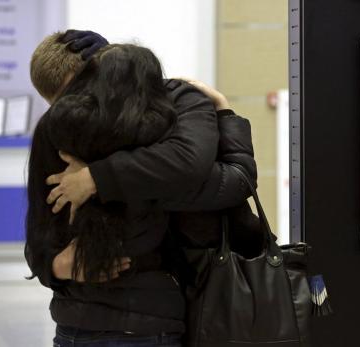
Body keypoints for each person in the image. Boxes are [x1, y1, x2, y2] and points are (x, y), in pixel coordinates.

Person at [25, 32, 260, 346]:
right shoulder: (168, 114)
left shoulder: (166, 113)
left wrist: (96, 178)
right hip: (138, 319)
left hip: (107, 321)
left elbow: (205, 172)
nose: (78, 116)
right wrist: (54, 265)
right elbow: (234, 180)